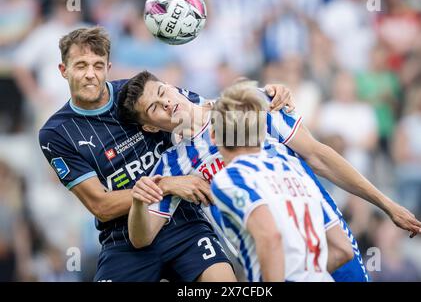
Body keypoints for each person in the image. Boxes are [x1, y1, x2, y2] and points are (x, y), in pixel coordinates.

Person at [38, 26, 294, 282]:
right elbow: (101, 206)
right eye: (81, 66)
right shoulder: (56, 133)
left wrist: (266, 95)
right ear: (64, 70)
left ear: (108, 67)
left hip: (185, 223)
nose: (90, 75)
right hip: (123, 240)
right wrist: (169, 184)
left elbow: (204, 112)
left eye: (97, 65)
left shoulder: (139, 94)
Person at [119, 72, 421, 282]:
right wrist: (156, 189)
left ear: (172, 85)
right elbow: (141, 237)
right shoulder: (172, 165)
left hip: (327, 245)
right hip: (270, 265)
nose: (166, 104)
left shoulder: (252, 102)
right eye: (154, 108)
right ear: (149, 127)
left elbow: (318, 155)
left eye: (162, 92)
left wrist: (386, 204)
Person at [208, 85, 353, 281]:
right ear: (261, 133)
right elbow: (344, 249)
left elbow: (270, 237)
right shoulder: (296, 170)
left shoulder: (230, 178)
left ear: (213, 135)